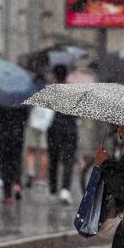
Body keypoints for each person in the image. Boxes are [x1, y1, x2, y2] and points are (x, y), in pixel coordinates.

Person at [0, 100, 29, 204]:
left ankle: (8, 194)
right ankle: (17, 183)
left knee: (5, 162)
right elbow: (26, 115)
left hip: (2, 133)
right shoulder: (21, 95)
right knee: (16, 159)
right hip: (17, 132)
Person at [47, 65, 78, 205]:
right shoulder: (72, 91)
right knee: (68, 161)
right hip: (70, 130)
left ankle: (53, 188)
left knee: (54, 159)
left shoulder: (51, 90)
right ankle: (65, 189)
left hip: (54, 130)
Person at [24, 74, 51, 190]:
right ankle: (41, 179)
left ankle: (30, 171)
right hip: (45, 125)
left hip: (32, 122)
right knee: (44, 152)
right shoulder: (50, 90)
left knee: (31, 150)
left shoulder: (31, 90)